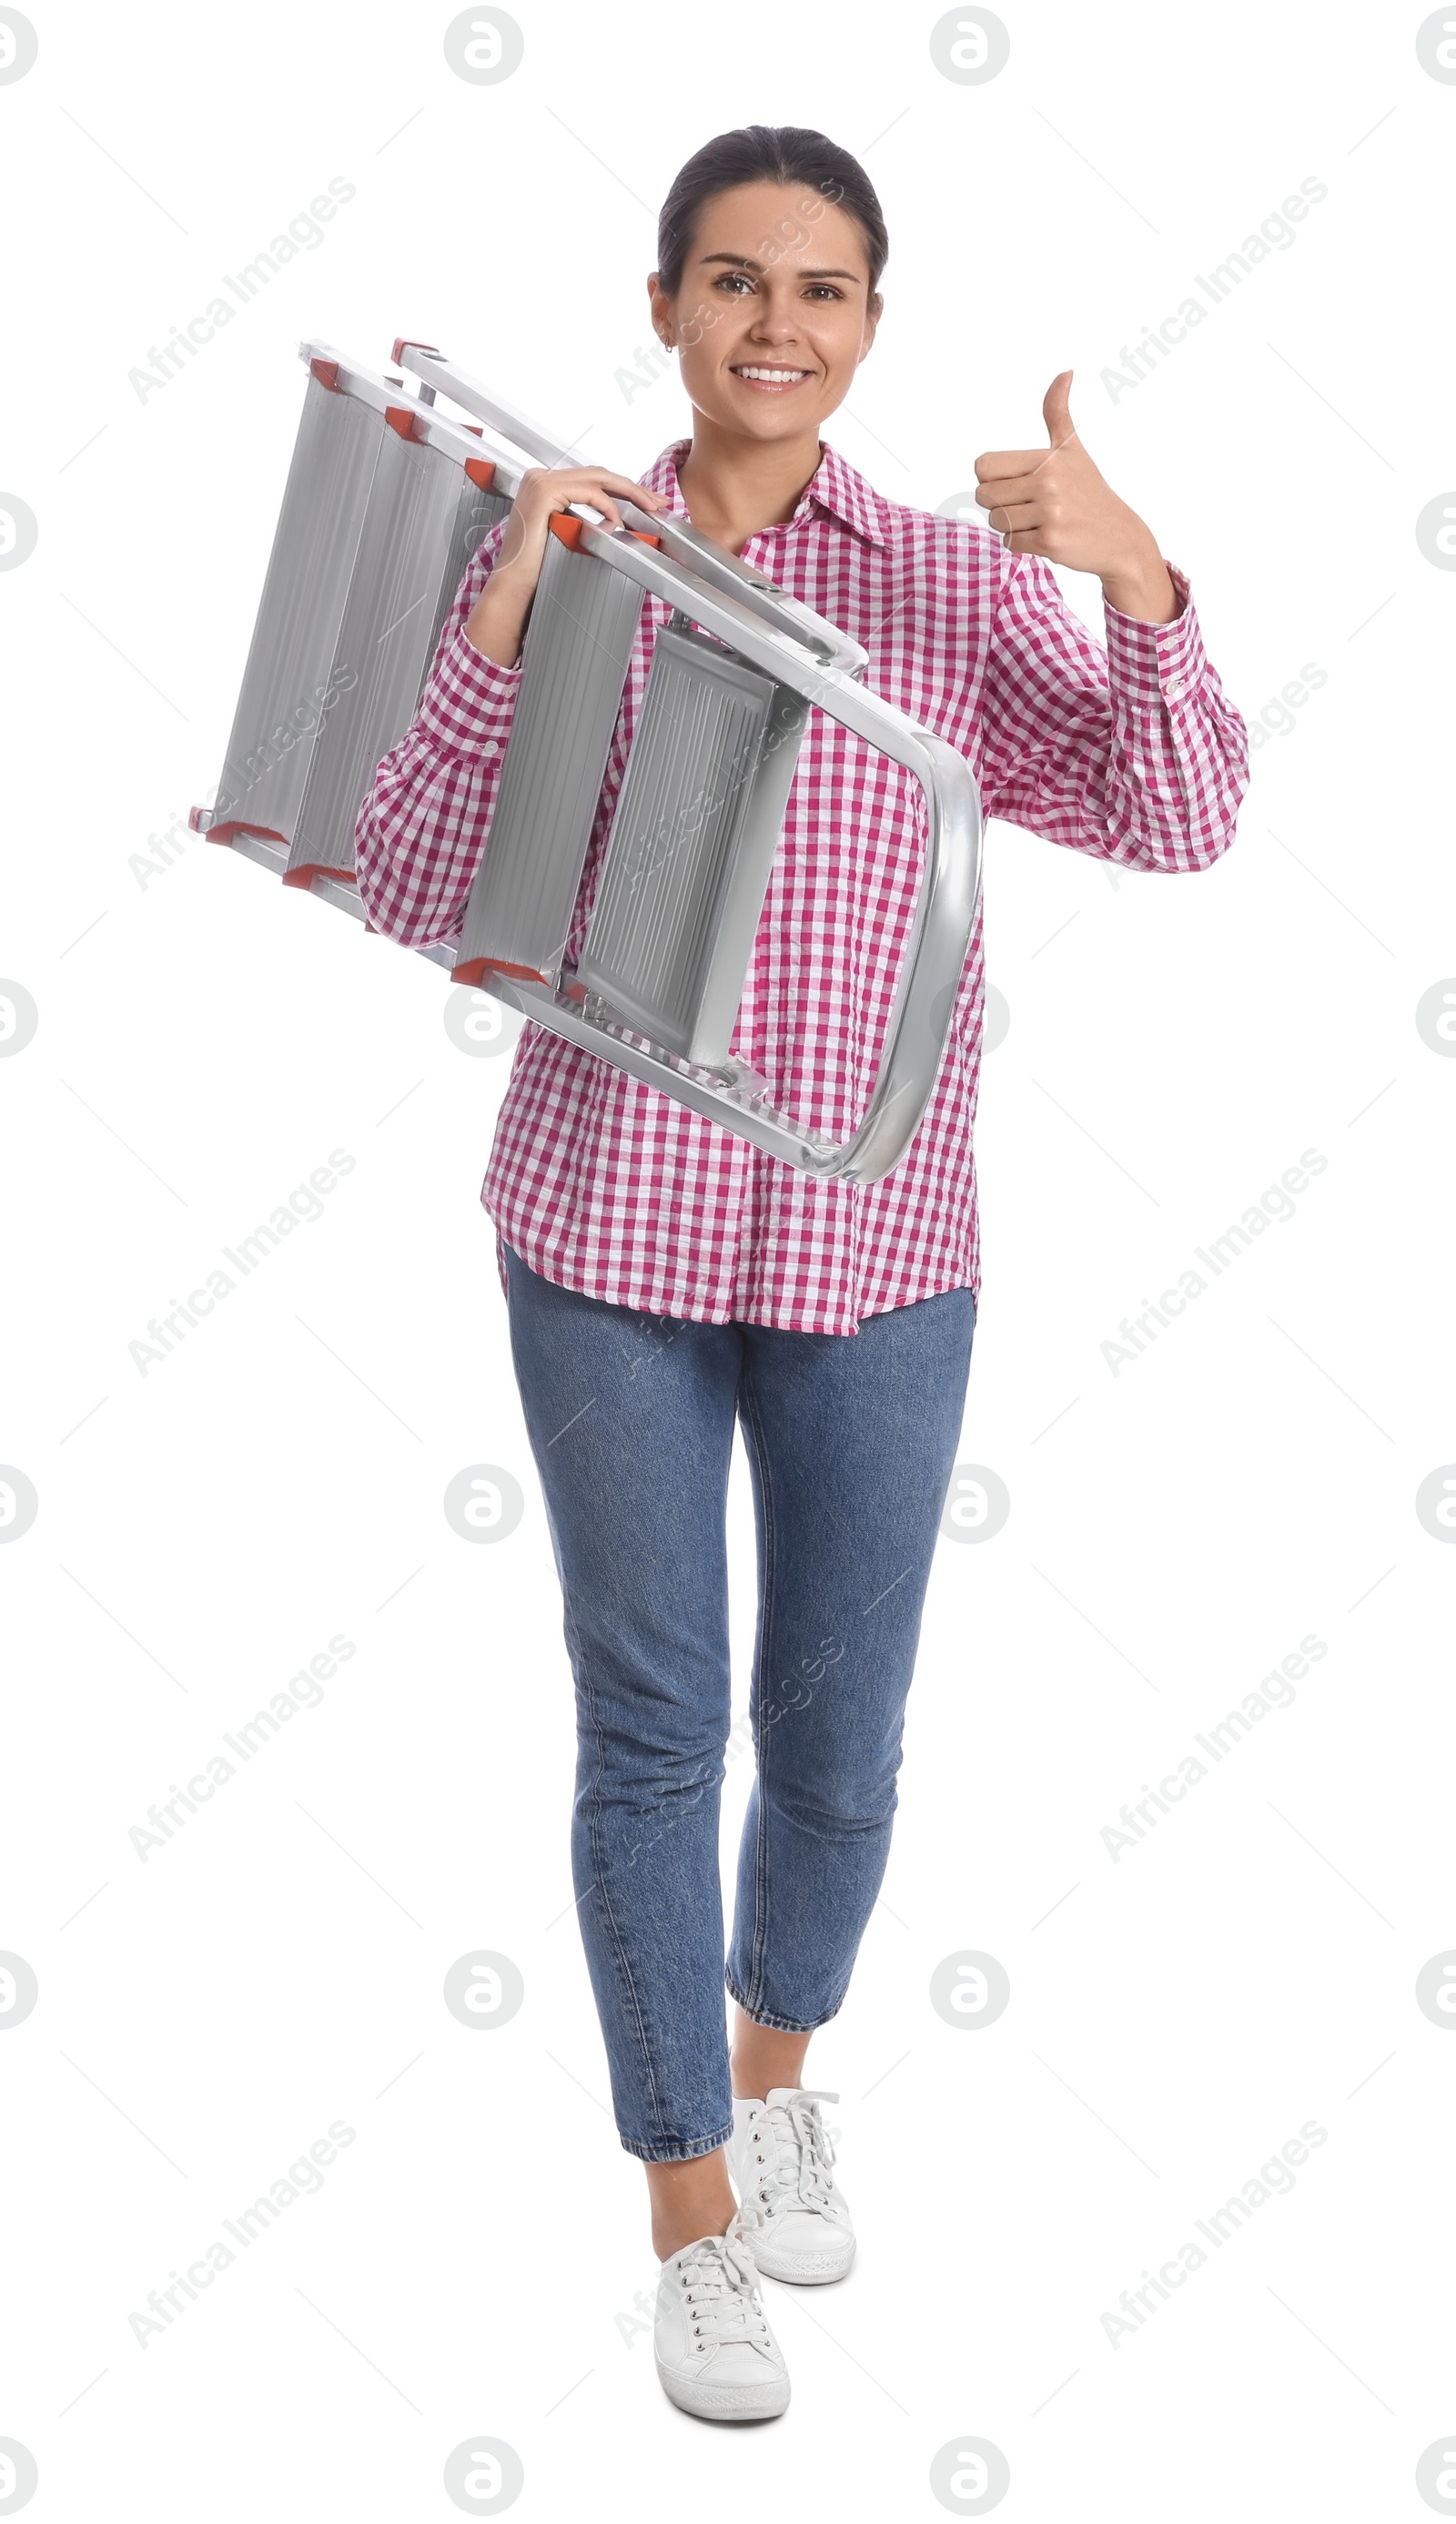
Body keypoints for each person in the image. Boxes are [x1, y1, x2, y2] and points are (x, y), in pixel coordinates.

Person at [355, 122, 1249, 2424]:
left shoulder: (951, 591)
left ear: (868, 324)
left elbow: (1176, 819)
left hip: (881, 1248)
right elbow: (407, 874)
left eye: (821, 289)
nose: (774, 325)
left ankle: (770, 2080)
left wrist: (1134, 578)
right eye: (732, 282)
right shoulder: (574, 545)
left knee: (833, 1745)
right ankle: (680, 2212)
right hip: (606, 1236)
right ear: (660, 307)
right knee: (647, 1726)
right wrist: (493, 617)